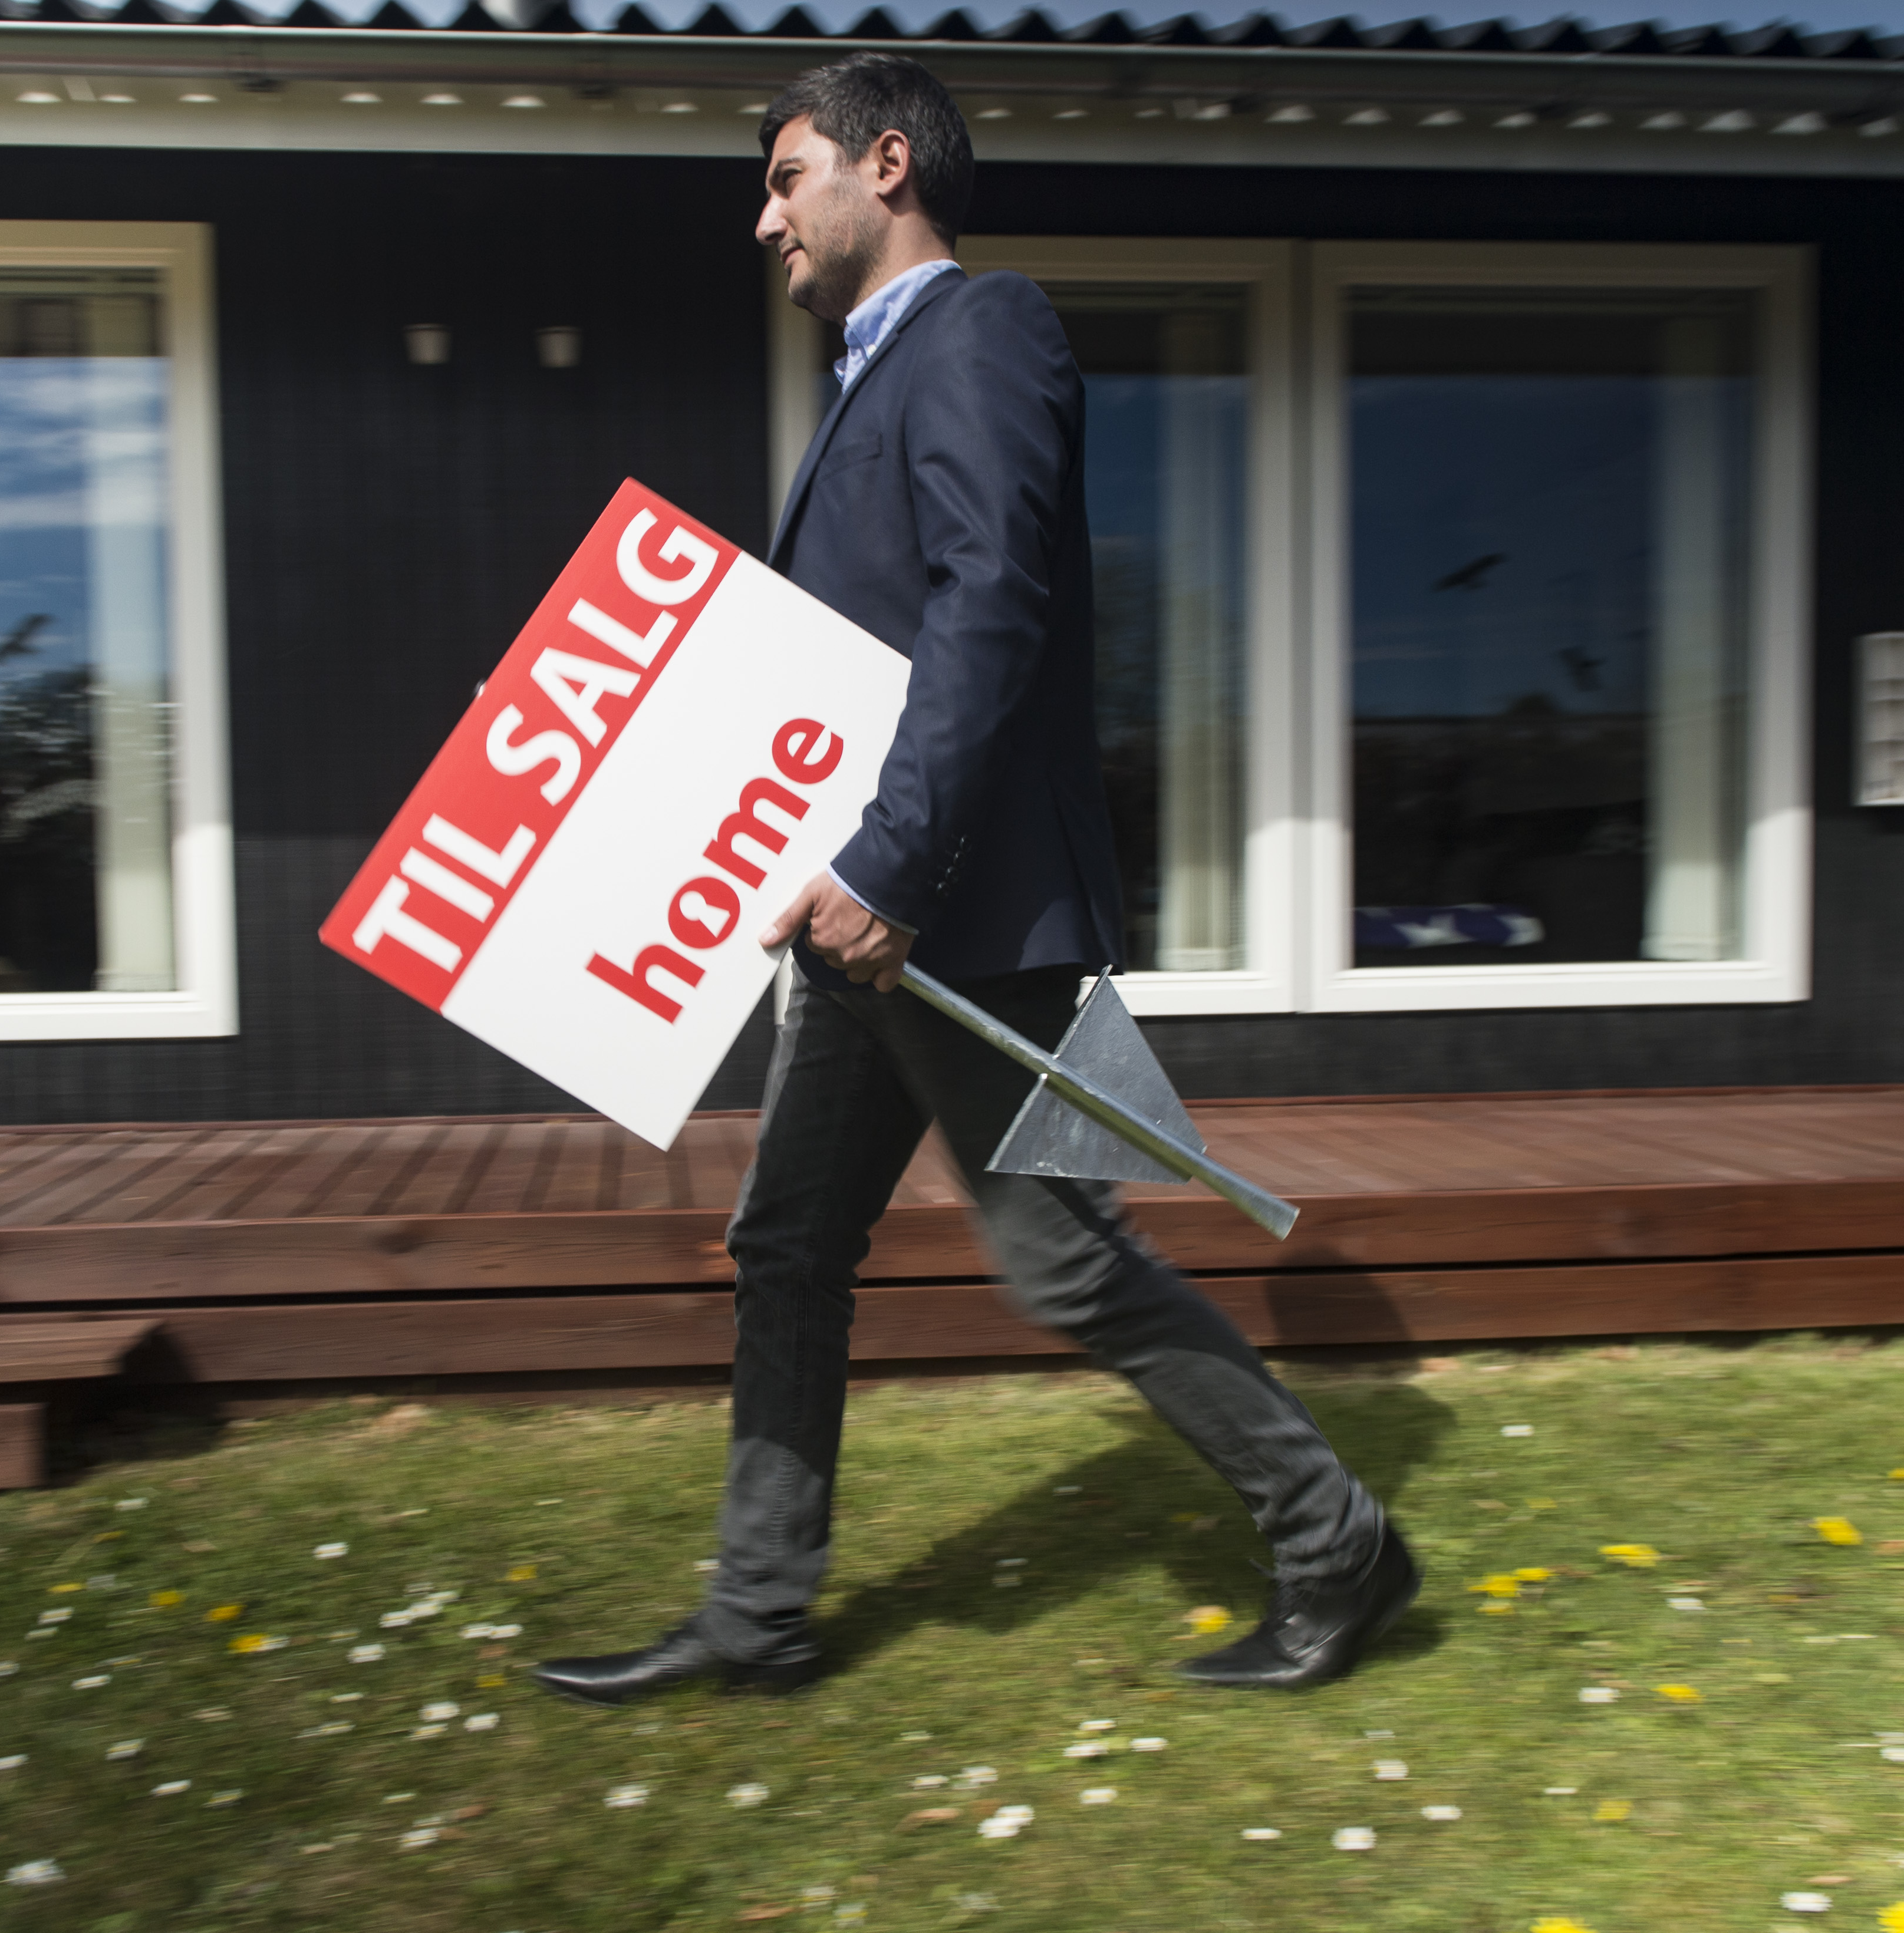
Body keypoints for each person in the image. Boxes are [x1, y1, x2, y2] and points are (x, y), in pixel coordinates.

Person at [535, 52, 1414, 1708]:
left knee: (1068, 1261)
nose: (763, 220)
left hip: (968, 915)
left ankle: (1338, 1545)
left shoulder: (984, 328)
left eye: (785, 178)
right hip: (859, 927)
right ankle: (757, 1613)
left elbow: (990, 599)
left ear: (887, 164)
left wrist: (888, 864)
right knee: (787, 1245)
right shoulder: (868, 380)